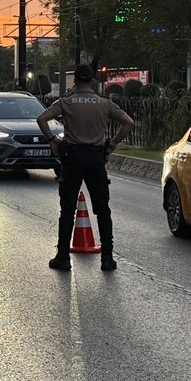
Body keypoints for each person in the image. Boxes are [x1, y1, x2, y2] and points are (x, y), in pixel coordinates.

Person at [36, 64, 134, 272]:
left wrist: (53, 140)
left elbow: (42, 119)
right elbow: (128, 122)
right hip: (96, 158)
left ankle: (63, 257)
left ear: (75, 81)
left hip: (72, 158)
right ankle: (107, 258)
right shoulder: (104, 103)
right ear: (92, 81)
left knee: (68, 209)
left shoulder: (66, 102)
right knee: (103, 210)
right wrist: (113, 143)